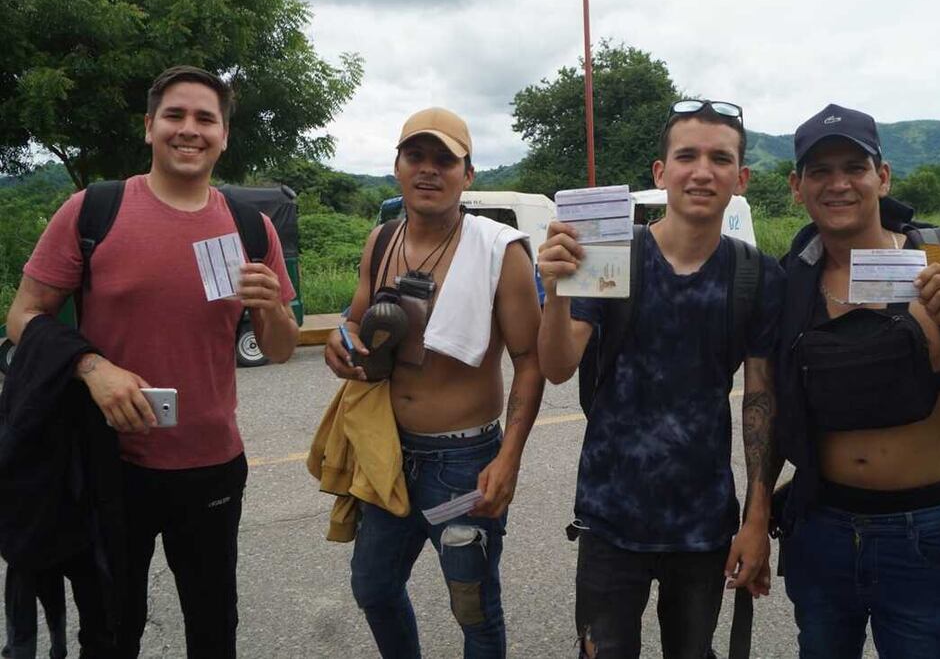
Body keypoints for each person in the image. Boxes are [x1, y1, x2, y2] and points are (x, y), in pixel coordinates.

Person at [6, 65, 298, 658]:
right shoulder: (93, 211)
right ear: (149, 127)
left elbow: (282, 348)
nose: (189, 130)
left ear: (224, 136)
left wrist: (269, 309)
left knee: (214, 628)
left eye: (205, 119)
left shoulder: (249, 226)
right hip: (110, 463)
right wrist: (93, 368)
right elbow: (23, 314)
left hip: (213, 464)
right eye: (175, 115)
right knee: (112, 630)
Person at [774, 103, 940, 658]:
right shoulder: (789, 279)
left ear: (883, 175)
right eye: (820, 171)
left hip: (928, 534)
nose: (839, 183)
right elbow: (769, 403)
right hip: (821, 529)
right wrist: (756, 521)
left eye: (855, 166)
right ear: (797, 187)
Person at [536, 99, 785, 658]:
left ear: (740, 178)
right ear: (660, 171)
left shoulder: (757, 276)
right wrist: (555, 292)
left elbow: (761, 401)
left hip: (702, 524)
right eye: (687, 155)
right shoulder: (609, 255)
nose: (702, 171)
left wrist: (756, 518)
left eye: (720, 159)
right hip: (609, 518)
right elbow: (556, 367)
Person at [324, 107, 544, 658]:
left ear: (467, 174)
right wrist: (341, 339)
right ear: (396, 167)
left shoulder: (501, 252)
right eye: (415, 156)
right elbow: (354, 320)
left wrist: (510, 457)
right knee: (372, 587)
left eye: (444, 160)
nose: (428, 170)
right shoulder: (380, 241)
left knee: (473, 605)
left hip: (463, 463)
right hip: (388, 455)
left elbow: (531, 360)